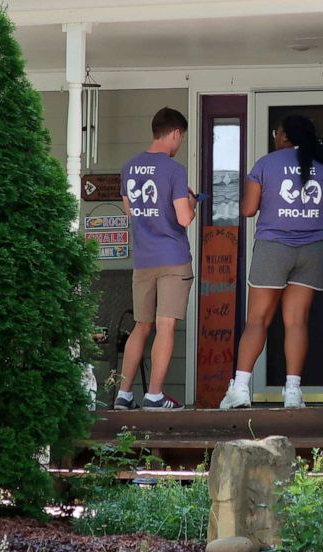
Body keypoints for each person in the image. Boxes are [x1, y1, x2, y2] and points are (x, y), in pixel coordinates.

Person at [220, 115, 323, 409]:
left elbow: (248, 209)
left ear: (284, 136)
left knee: (257, 320)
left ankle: (240, 390)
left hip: (273, 246)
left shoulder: (266, 164)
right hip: (310, 249)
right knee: (297, 322)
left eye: (277, 132)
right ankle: (293, 392)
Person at [114, 107, 197, 411]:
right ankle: (154, 395)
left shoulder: (128, 167)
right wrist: (191, 202)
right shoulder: (174, 170)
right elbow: (184, 218)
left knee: (141, 325)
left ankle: (123, 393)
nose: (180, 144)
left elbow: (131, 212)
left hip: (144, 259)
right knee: (165, 326)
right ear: (175, 133)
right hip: (173, 258)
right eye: (181, 138)